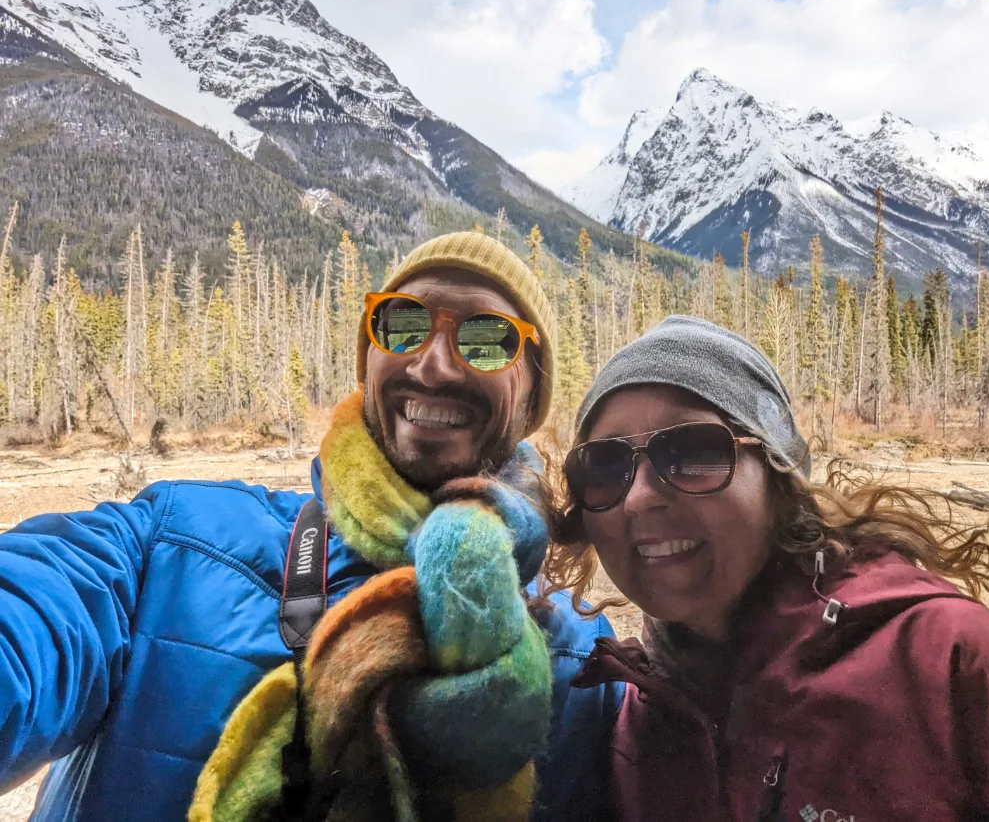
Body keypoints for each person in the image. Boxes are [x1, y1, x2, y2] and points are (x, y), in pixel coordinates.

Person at [0, 232, 622, 822]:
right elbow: (34, 614)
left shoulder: (577, 663)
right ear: (369, 358)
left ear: (532, 389)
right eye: (402, 324)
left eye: (487, 339)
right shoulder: (176, 544)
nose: (433, 367)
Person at [547, 314, 989, 822]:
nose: (639, 495)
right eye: (604, 465)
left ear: (779, 479)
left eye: (691, 450)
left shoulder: (954, 667)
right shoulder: (637, 713)